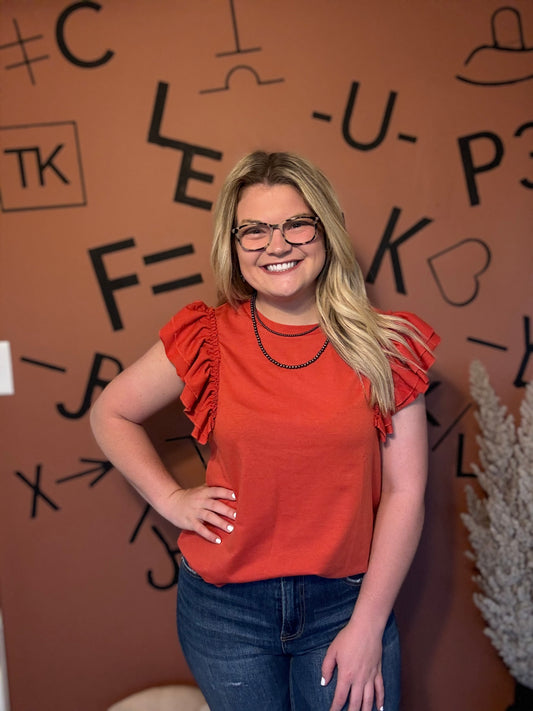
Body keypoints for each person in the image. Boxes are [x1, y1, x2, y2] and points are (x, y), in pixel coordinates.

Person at [90, 151, 440, 711]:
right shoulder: (206, 337)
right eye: (253, 230)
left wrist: (368, 626)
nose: (276, 246)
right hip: (226, 612)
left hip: (347, 604)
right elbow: (110, 413)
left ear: (325, 232)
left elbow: (406, 494)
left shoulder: (387, 345)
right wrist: (172, 499)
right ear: (232, 244)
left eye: (296, 224)